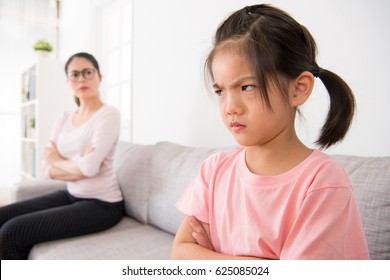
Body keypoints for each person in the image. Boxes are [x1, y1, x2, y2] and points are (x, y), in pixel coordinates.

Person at [171, 4, 369, 260]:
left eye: (248, 87)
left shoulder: (322, 181)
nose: (230, 107)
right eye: (221, 91)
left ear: (298, 89)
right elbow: (180, 254)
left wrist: (210, 259)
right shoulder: (214, 170)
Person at [0, 52, 124, 259]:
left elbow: (89, 168)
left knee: (12, 232)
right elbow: (44, 168)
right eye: (74, 74)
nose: (81, 78)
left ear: (99, 77)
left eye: (88, 72)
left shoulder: (108, 115)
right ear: (68, 81)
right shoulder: (64, 118)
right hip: (71, 193)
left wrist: (57, 160)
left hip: (103, 204)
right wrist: (78, 166)